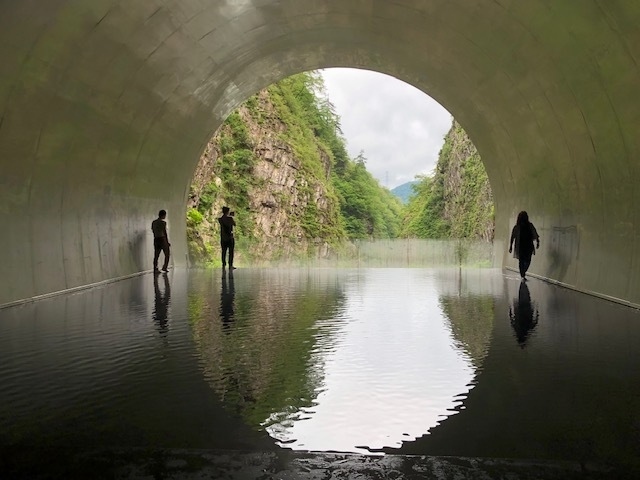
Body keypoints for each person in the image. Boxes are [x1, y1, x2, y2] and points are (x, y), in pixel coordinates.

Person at [509, 211, 540, 280]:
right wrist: (510, 246)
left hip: (527, 246)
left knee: (526, 260)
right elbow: (512, 237)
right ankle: (522, 273)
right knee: (523, 260)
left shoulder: (529, 226)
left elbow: (534, 233)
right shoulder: (517, 227)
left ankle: (523, 272)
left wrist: (538, 241)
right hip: (522, 247)